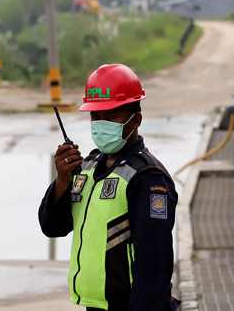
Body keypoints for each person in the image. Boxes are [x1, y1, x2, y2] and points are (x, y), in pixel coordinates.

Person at [38, 64, 181, 311]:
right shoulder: (89, 168)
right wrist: (62, 181)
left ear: (135, 120)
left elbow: (153, 265)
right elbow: (53, 227)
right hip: (96, 306)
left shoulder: (147, 179)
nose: (101, 124)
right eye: (95, 116)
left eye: (111, 116)